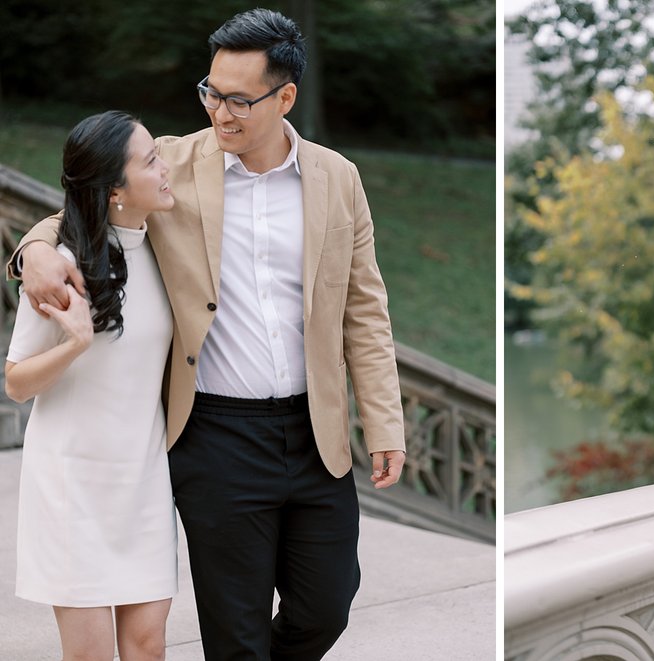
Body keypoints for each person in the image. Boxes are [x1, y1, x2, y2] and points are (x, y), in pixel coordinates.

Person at [10, 9, 406, 660]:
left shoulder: (338, 178)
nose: (221, 113)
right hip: (215, 436)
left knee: (325, 607)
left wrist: (384, 422)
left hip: (316, 431)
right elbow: (81, 202)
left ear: (285, 98)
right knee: (235, 628)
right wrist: (33, 252)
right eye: (211, 93)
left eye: (240, 100)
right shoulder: (171, 162)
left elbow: (365, 308)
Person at [6, 111, 176, 660]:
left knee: (148, 646)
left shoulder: (168, 248)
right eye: (151, 161)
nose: (166, 166)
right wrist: (73, 344)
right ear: (115, 190)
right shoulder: (59, 266)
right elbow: (15, 382)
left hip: (144, 478)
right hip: (71, 484)